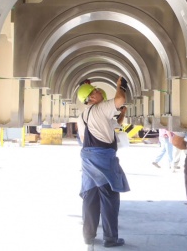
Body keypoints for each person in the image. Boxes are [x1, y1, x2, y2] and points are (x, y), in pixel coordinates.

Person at [77, 77, 130, 249]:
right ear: (91, 98)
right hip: (103, 158)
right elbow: (120, 99)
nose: (99, 92)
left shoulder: (83, 115)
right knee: (109, 197)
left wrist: (122, 113)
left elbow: (115, 124)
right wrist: (120, 86)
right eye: (96, 91)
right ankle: (110, 238)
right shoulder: (101, 108)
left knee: (90, 196)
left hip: (87, 157)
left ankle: (88, 236)